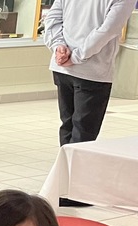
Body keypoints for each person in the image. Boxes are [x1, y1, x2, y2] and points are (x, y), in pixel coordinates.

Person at [44, 0, 132, 147]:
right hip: (92, 72)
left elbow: (52, 19)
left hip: (62, 68)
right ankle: (74, 168)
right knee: (84, 133)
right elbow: (108, 30)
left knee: (68, 126)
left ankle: (66, 168)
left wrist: (58, 46)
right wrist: (76, 56)